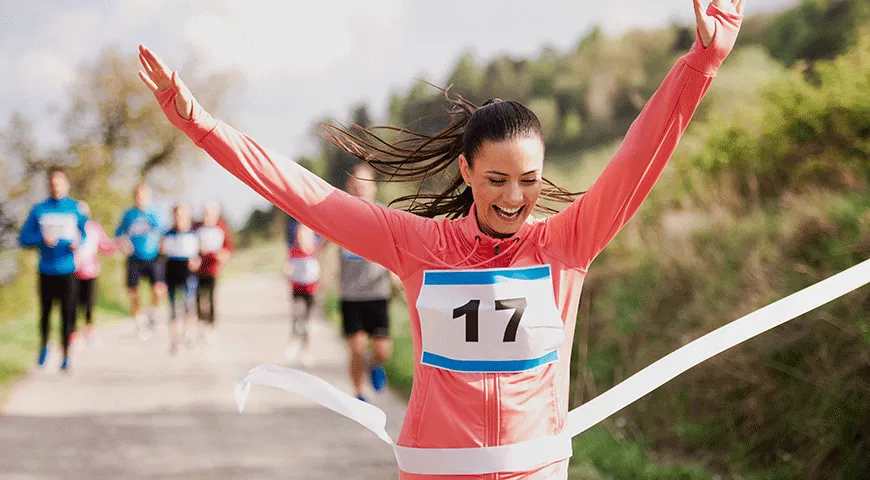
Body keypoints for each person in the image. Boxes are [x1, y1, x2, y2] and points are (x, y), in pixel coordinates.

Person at [138, 1, 743, 476]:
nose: (513, 198)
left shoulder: (567, 244)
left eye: (529, 181)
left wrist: (702, 64)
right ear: (466, 172)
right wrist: (202, 126)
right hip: (435, 471)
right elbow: (302, 194)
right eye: (497, 180)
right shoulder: (418, 246)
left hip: (533, 471)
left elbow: (641, 152)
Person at [18, 167, 88, 371]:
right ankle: (43, 347)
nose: (56, 187)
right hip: (46, 270)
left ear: (66, 185)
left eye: (59, 183)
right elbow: (23, 238)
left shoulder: (75, 208)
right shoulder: (39, 210)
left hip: (68, 270)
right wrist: (41, 239)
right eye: (52, 183)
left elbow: (84, 233)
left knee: (68, 313)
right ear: (49, 185)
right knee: (45, 313)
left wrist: (78, 242)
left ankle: (66, 355)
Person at [339, 163, 398, 401]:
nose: (360, 189)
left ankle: (375, 365)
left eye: (365, 184)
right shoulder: (340, 215)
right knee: (356, 348)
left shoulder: (385, 216)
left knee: (382, 351)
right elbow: (320, 241)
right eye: (356, 184)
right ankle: (359, 392)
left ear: (374, 188)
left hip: (378, 292)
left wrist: (396, 273)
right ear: (349, 187)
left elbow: (396, 249)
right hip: (351, 294)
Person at [115, 184, 165, 339]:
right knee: (133, 292)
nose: (140, 199)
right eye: (138, 195)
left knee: (158, 289)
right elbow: (119, 233)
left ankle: (153, 312)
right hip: (134, 258)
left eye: (143, 196)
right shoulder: (129, 214)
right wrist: (124, 244)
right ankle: (139, 322)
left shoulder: (154, 213)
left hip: (153, 257)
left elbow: (164, 232)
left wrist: (163, 248)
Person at [72, 201, 116, 343]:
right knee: (73, 302)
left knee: (89, 303)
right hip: (72, 271)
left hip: (91, 272)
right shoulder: (71, 228)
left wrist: (118, 244)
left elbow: (105, 246)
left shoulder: (94, 228)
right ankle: (72, 331)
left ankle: (89, 328)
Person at [161, 203, 201, 354]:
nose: (180, 218)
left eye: (183, 215)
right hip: (172, 273)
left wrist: (197, 261)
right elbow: (162, 257)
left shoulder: (194, 234)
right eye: (177, 215)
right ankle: (175, 340)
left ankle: (189, 335)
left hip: (189, 275)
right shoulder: (168, 235)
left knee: (188, 306)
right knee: (173, 309)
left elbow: (200, 255)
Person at [283, 222, 322, 367]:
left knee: (307, 322)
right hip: (297, 289)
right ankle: (293, 341)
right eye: (299, 236)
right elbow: (287, 267)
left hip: (311, 291)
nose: (301, 239)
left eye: (305, 236)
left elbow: (319, 271)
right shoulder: (294, 251)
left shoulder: (314, 252)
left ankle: (305, 349)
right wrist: (287, 272)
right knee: (297, 316)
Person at [194, 200, 234, 340]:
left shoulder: (221, 227)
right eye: (205, 213)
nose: (208, 217)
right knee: (198, 297)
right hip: (198, 269)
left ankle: (211, 324)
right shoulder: (196, 227)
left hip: (213, 268)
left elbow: (228, 248)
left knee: (210, 297)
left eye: (211, 214)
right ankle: (200, 321)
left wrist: (222, 255)